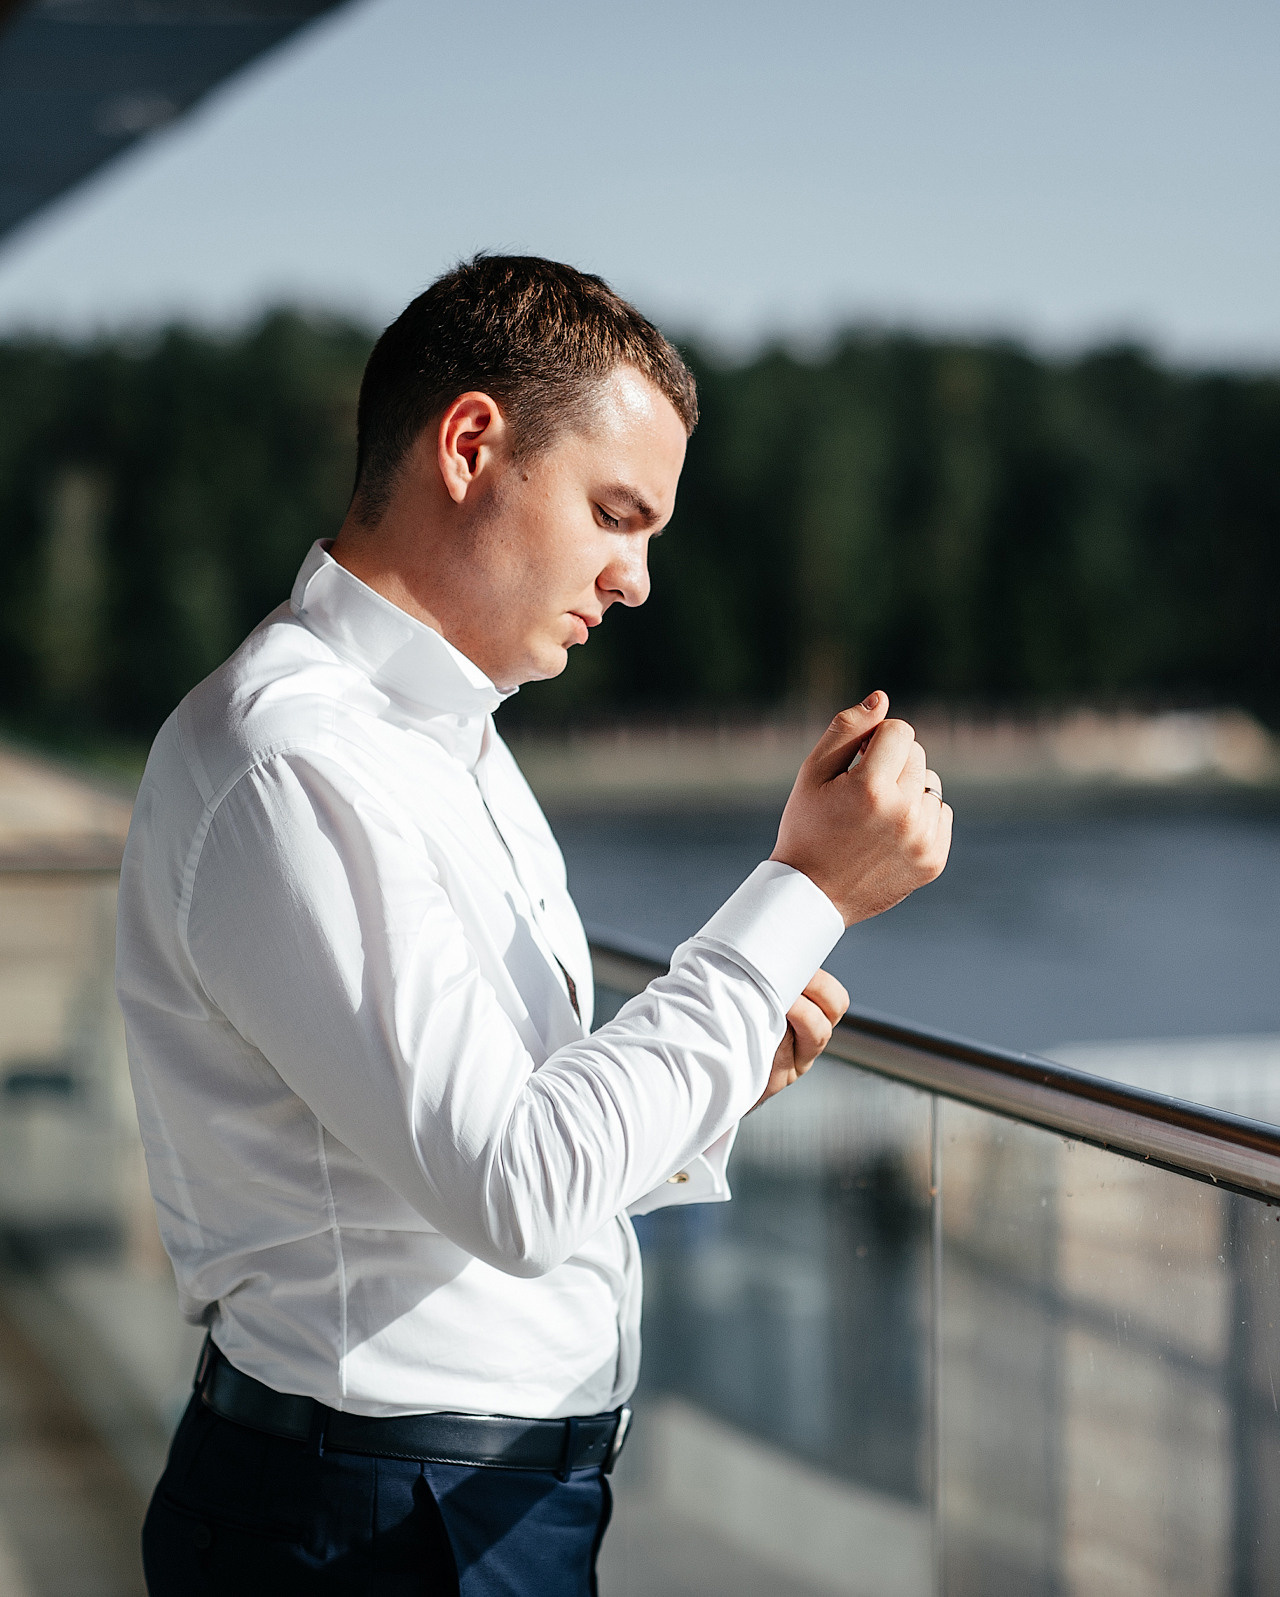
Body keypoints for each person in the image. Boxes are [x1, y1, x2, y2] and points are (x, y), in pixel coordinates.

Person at [118, 254, 952, 1594]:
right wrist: (804, 892)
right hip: (369, 1521)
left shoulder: (449, 742)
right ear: (468, 445)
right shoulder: (297, 762)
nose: (636, 580)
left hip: (453, 1501)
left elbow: (502, 1127)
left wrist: (721, 1067)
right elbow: (516, 1186)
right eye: (618, 514)